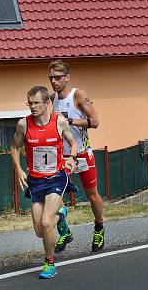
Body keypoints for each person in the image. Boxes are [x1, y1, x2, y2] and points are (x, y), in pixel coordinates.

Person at [11, 86, 78, 279]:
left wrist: (72, 159)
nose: (32, 107)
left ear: (47, 103)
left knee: (47, 222)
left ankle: (49, 263)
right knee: (40, 231)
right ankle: (62, 216)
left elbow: (73, 143)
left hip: (57, 178)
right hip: (36, 181)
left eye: (36, 103)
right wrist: (18, 169)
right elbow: (14, 148)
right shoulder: (24, 125)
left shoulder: (60, 122)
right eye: (29, 103)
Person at [48, 60, 105, 253]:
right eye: (51, 78)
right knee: (54, 197)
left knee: (92, 196)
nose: (54, 81)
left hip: (81, 153)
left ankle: (99, 227)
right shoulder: (51, 99)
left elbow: (95, 121)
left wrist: (70, 121)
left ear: (67, 78)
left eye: (57, 77)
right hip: (61, 156)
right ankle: (64, 230)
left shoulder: (77, 95)